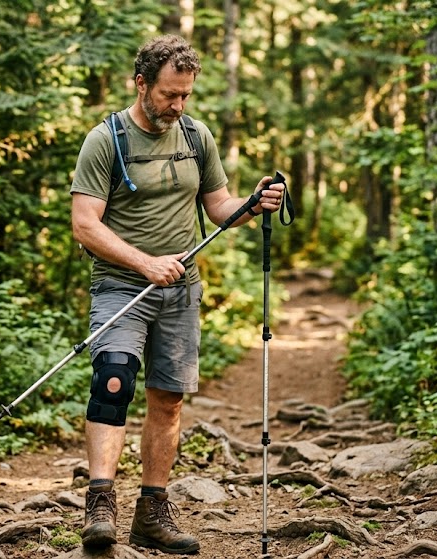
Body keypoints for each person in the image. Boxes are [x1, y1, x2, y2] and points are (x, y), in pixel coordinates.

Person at [69, 34, 285, 555]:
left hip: (181, 291)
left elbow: (218, 206)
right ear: (141, 84)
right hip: (121, 286)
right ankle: (100, 506)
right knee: (114, 380)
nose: (178, 105)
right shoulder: (107, 140)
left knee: (167, 401)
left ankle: (152, 513)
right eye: (170, 94)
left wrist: (254, 204)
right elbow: (84, 225)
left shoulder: (195, 135)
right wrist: (144, 263)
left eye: (186, 95)